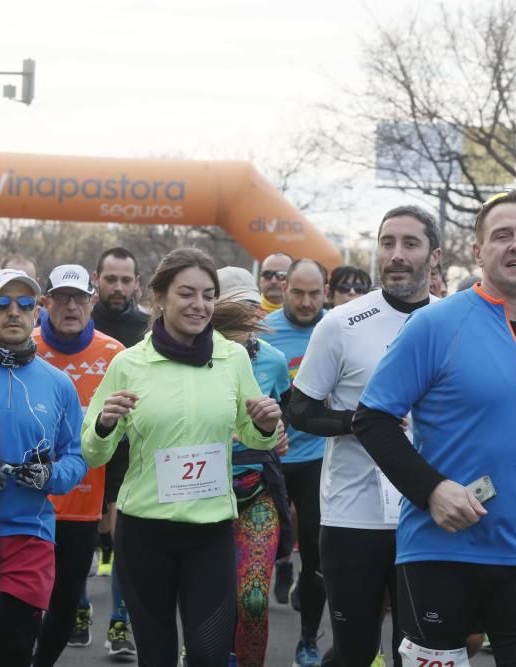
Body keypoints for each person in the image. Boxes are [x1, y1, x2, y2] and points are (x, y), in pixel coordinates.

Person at [353, 190, 516, 665]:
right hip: (439, 548)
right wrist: (432, 490)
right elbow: (372, 418)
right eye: (502, 236)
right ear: (477, 251)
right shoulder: (434, 324)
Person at [81, 248, 281, 667]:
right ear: (160, 298)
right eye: (187, 293)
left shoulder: (232, 357)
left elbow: (255, 438)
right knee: (157, 656)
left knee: (208, 654)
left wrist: (264, 424)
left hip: (210, 532)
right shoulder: (129, 363)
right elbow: (93, 452)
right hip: (144, 531)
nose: (199, 305)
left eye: (208, 295)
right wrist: (103, 423)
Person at [290, 205, 441, 667]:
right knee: (355, 651)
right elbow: (299, 410)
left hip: (430, 513)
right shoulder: (341, 323)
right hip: (354, 517)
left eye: (410, 244)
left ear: (434, 257)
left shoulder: (453, 319)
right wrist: (358, 422)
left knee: (418, 652)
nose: (396, 254)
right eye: (387, 242)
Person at [0, 269, 87, 667]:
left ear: (38, 311)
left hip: (29, 536)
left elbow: (76, 458)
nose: (14, 312)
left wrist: (50, 476)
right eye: (1, 303)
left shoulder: (59, 383)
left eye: (26, 304)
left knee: (15, 652)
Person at [30, 264, 131, 665]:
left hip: (85, 501)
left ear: (92, 301)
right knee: (22, 600)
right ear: (46, 302)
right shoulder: (27, 345)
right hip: (28, 501)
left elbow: (126, 434)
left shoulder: (114, 354)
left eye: (79, 298)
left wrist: (111, 497)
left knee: (66, 600)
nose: (70, 307)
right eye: (61, 298)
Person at [214, 265, 294, 667]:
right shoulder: (193, 359)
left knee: (254, 598)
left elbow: (289, 414)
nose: (245, 321)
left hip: (255, 490)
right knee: (208, 601)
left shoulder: (274, 360)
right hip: (200, 495)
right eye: (234, 312)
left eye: (251, 310)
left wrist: (279, 432)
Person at [75, 246, 146, 650]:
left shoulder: (148, 327)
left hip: (129, 449)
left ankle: (120, 622)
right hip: (85, 441)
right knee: (80, 535)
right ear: (96, 279)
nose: (118, 288)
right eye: (110, 279)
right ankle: (78, 606)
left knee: (124, 539)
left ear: (137, 283)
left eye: (125, 280)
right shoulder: (78, 319)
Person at [260, 258, 329, 666]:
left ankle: (307, 640)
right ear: (284, 288)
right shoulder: (264, 332)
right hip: (272, 455)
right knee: (257, 546)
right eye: (298, 292)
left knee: (318, 554)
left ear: (326, 291)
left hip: (320, 456)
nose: (306, 302)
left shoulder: (337, 328)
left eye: (315, 294)